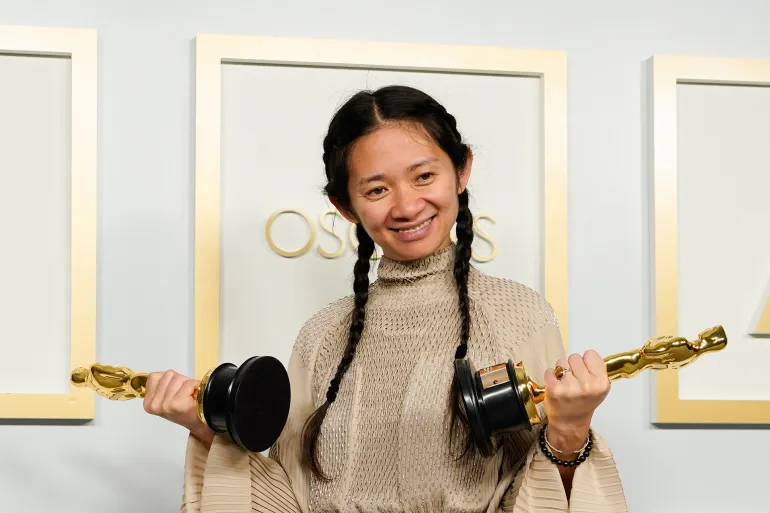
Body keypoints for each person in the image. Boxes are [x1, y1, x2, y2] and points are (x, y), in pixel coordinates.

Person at [143, 85, 628, 512]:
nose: (406, 205)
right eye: (376, 189)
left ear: (461, 171)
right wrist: (211, 428)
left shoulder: (519, 314)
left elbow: (535, 490)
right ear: (345, 206)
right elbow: (288, 496)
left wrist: (571, 430)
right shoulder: (321, 335)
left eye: (423, 176)